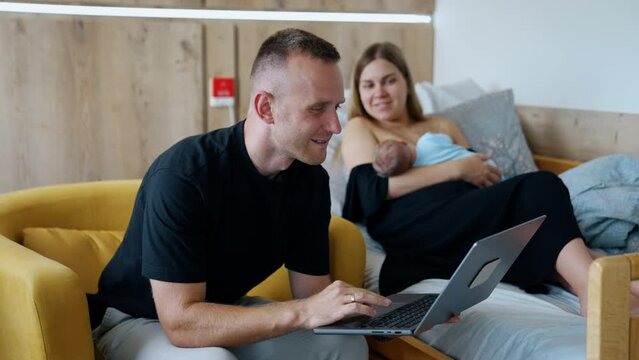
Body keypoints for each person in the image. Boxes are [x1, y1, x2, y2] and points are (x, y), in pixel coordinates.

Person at [88, 28, 392, 360]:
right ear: (266, 108)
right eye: (317, 108)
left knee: (345, 345)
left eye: (337, 107)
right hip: (141, 320)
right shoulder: (184, 176)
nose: (336, 126)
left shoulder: (310, 181)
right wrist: (304, 312)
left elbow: (313, 297)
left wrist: (388, 316)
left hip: (224, 309)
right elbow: (181, 323)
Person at [341, 41, 639, 316]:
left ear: (406, 83)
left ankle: (599, 286)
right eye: (368, 85)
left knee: (531, 229)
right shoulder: (361, 126)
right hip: (412, 221)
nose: (378, 92)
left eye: (388, 80)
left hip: (467, 211)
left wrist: (478, 174)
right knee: (541, 184)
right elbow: (371, 191)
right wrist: (457, 170)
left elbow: (481, 169)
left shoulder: (440, 123)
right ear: (359, 92)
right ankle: (595, 285)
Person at [372, 133, 498, 177]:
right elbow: (446, 139)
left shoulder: (420, 171)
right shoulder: (425, 140)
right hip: (483, 162)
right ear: (402, 141)